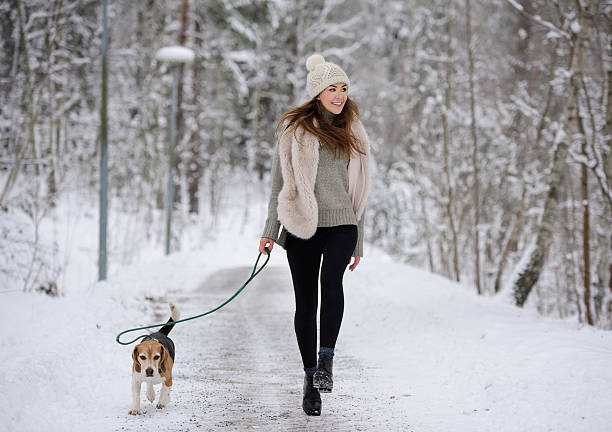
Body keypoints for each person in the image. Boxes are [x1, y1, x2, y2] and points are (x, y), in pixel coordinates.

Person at [257, 53, 371, 416]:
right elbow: (279, 181)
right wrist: (269, 232)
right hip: (302, 223)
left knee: (331, 283)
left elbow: (362, 189)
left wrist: (359, 239)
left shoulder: (353, 129)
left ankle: (326, 363)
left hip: (341, 223)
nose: (339, 95)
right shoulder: (294, 130)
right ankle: (310, 378)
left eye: (343, 88)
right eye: (331, 88)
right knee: (305, 303)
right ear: (317, 92)